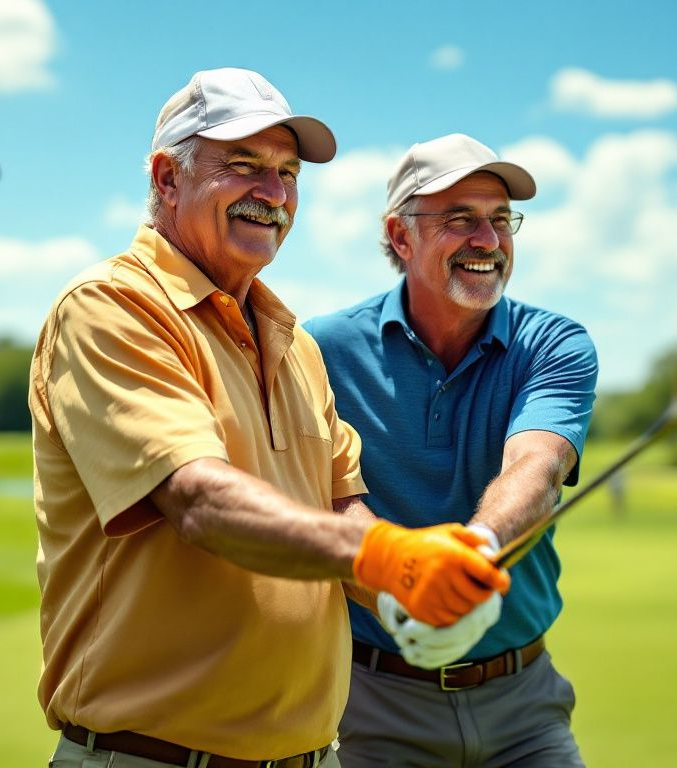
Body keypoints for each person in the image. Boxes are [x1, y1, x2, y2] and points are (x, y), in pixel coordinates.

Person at [30, 69, 509, 768]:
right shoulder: (110, 308)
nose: (275, 195)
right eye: (245, 167)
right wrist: (389, 558)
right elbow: (197, 499)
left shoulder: (296, 344)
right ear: (167, 178)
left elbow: (345, 515)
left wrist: (412, 591)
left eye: (288, 174)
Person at [306, 133, 599, 766]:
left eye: (500, 220)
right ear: (401, 236)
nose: (488, 240)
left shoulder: (553, 343)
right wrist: (403, 583)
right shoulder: (318, 351)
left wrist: (473, 551)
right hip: (368, 704)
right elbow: (326, 500)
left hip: (524, 705)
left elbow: (537, 465)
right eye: (459, 219)